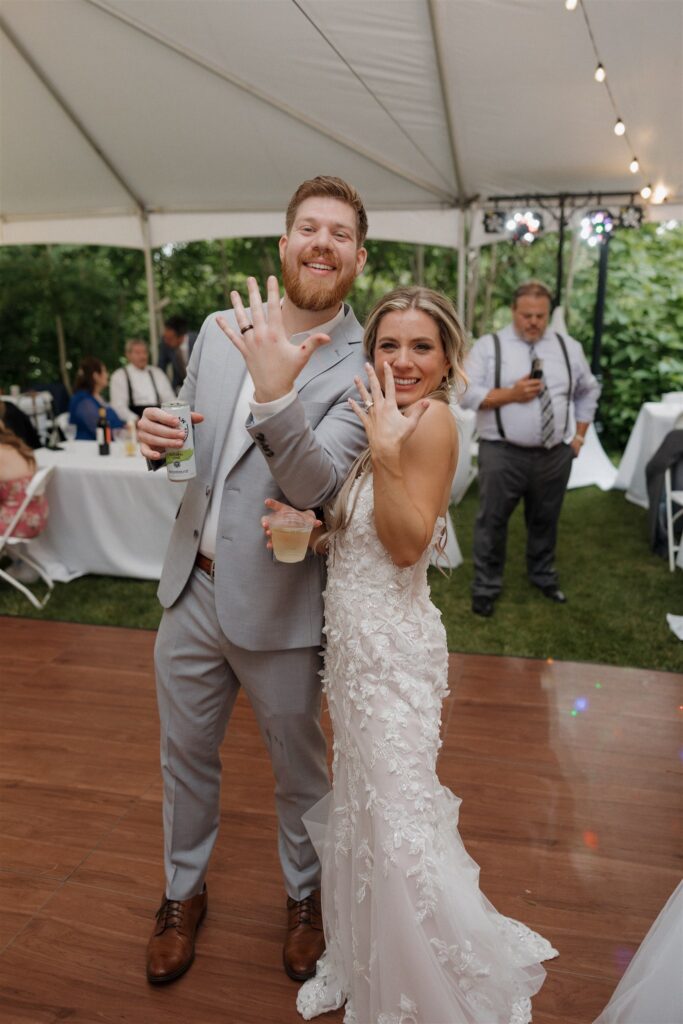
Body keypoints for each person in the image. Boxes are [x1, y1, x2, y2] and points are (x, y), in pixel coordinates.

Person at [253, 287, 558, 1024]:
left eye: (420, 346)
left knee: (395, 821)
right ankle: (363, 958)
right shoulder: (385, 418)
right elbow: (364, 531)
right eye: (389, 345)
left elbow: (404, 544)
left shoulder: (430, 426)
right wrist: (315, 528)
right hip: (355, 656)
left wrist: (385, 456)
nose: (403, 359)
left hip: (393, 656)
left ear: (448, 356)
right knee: (364, 808)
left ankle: (422, 985)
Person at [136, 176, 370, 986]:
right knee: (184, 759)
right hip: (190, 590)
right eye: (309, 227)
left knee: (298, 770)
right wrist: (156, 437)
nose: (321, 243)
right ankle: (180, 893)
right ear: (283, 243)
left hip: (280, 599)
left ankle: (305, 900)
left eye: (339, 234)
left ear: (358, 258)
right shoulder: (218, 326)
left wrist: (276, 390)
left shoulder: (364, 360)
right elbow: (190, 444)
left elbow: (318, 485)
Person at [460, 280, 600, 617]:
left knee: (545, 520)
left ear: (548, 313)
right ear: (513, 312)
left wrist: (578, 437)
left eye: (540, 315)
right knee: (492, 521)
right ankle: (486, 586)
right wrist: (511, 393)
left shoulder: (568, 347)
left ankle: (542, 575)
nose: (533, 322)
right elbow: (464, 394)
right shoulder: (489, 347)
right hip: (501, 451)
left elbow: (588, 390)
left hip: (554, 454)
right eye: (527, 315)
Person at [0, 425, 49, 582]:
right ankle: (21, 565)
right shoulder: (16, 447)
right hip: (36, 514)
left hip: (19, 521)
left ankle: (21, 565)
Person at [109, 338, 175, 422]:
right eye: (137, 353)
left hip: (160, 420)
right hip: (134, 424)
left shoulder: (157, 373)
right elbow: (118, 406)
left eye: (145, 352)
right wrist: (136, 420)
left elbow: (170, 399)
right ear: (128, 355)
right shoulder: (119, 376)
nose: (142, 356)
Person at [68, 357, 126, 441]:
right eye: (104, 371)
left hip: (113, 444)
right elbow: (100, 429)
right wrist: (124, 434)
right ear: (96, 376)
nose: (107, 375)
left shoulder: (98, 398)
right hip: (89, 448)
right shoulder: (83, 401)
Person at [158, 315, 197, 391]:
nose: (166, 341)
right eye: (165, 337)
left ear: (181, 336)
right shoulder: (165, 343)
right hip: (179, 388)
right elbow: (161, 368)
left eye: (169, 339)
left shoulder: (197, 341)